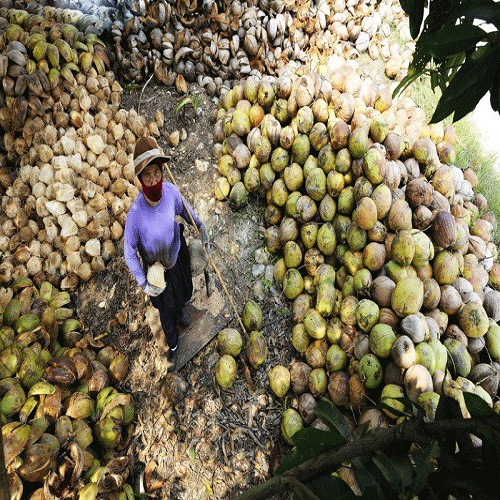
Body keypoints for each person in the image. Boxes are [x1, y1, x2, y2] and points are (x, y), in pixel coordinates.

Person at [124, 136, 209, 370]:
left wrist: (200, 227)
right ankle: (172, 344)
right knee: (166, 312)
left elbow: (186, 211)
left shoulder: (171, 192)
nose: (153, 180)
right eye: (147, 175)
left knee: (184, 291)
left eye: (157, 173)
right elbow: (129, 254)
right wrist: (144, 283)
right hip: (157, 272)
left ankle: (182, 309)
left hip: (176, 256)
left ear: (162, 171)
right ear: (140, 179)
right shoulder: (136, 215)